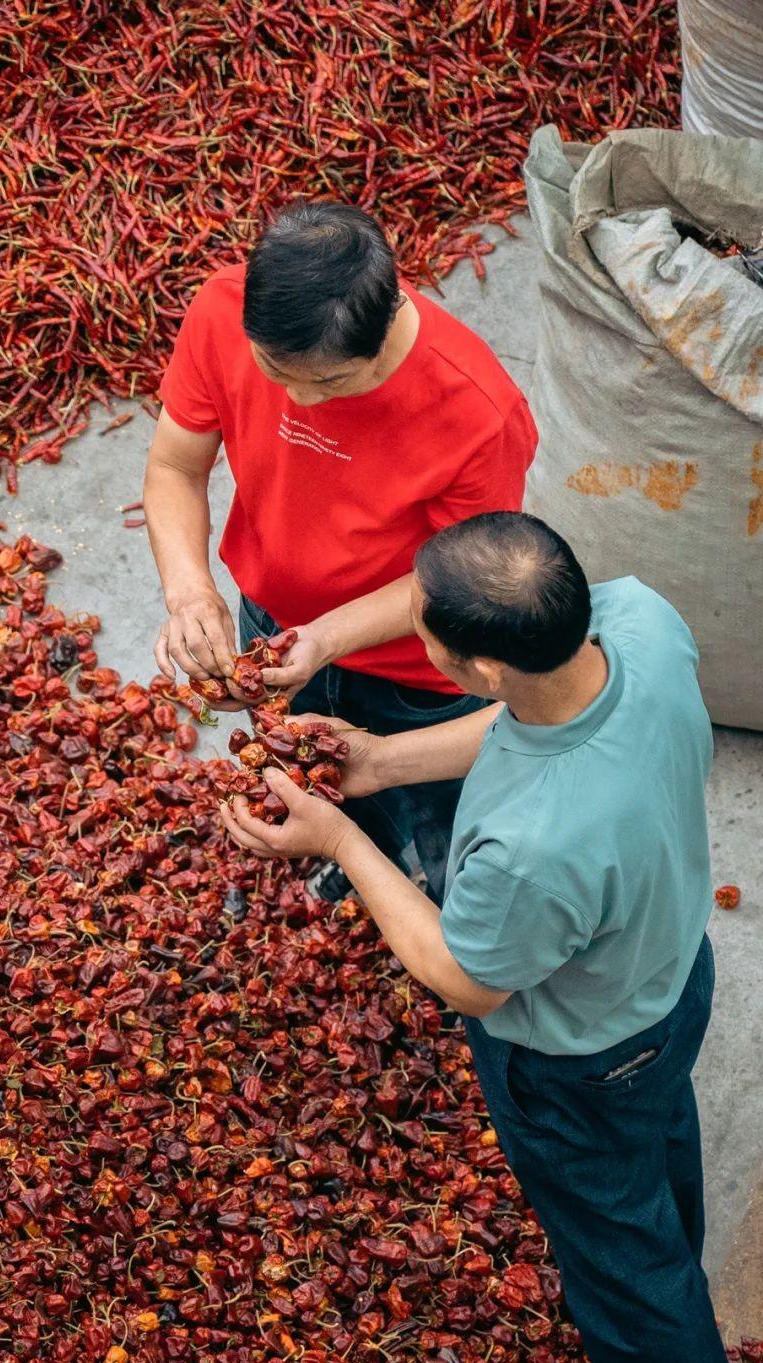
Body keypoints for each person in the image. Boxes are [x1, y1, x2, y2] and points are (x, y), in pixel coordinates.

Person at [220, 511, 754, 1363]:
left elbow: (465, 978)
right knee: (651, 1153)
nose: (414, 638)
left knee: (611, 1247)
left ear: (482, 668)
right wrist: (381, 761)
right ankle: (667, 1251)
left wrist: (343, 841)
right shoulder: (638, 622)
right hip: (667, 971)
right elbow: (528, 726)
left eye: (427, 630)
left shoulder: (529, 851)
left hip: (583, 1056)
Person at [144, 200, 537, 905]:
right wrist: (190, 591)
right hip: (273, 623)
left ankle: (452, 922)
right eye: (274, 368)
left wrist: (326, 636)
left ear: (386, 329)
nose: (297, 398)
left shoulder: (476, 411)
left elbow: (460, 581)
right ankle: (361, 865)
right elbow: (176, 467)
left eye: (329, 382)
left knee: (446, 815)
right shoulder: (219, 312)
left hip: (416, 669)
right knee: (320, 776)